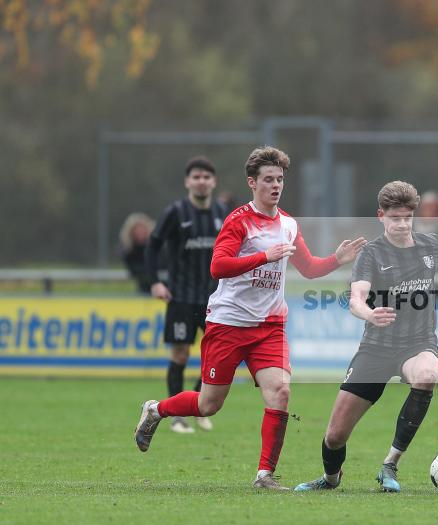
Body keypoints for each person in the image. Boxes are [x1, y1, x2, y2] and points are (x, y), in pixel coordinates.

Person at [134, 146, 366, 490]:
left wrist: (336, 259)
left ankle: (264, 475)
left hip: (269, 326)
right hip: (228, 324)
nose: (276, 185)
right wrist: (263, 256)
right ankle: (156, 409)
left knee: (280, 392)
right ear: (252, 183)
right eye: (268, 179)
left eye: (280, 179)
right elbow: (218, 266)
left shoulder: (288, 224)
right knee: (208, 405)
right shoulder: (238, 220)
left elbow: (308, 268)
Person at [295, 181, 438, 493]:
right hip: (376, 348)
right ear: (381, 216)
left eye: (408, 217)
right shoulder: (371, 253)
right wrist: (369, 313)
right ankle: (330, 479)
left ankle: (390, 464)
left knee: (427, 375)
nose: (402, 224)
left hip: (418, 343)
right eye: (395, 218)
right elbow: (356, 299)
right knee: (335, 436)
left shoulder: (433, 245)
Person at [145, 156, 228, 434]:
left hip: (215, 299)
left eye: (206, 177)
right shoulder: (175, 212)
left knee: (218, 356)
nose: (201, 181)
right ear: (187, 182)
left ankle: (200, 408)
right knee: (180, 354)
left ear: (214, 182)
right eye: (196, 177)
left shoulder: (223, 212)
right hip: (180, 296)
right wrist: (155, 282)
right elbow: (152, 246)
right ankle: (177, 417)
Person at [119, 212, 156, 294]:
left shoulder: (157, 248)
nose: (140, 233)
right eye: (137, 231)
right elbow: (133, 269)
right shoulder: (128, 251)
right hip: (143, 288)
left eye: (142, 230)